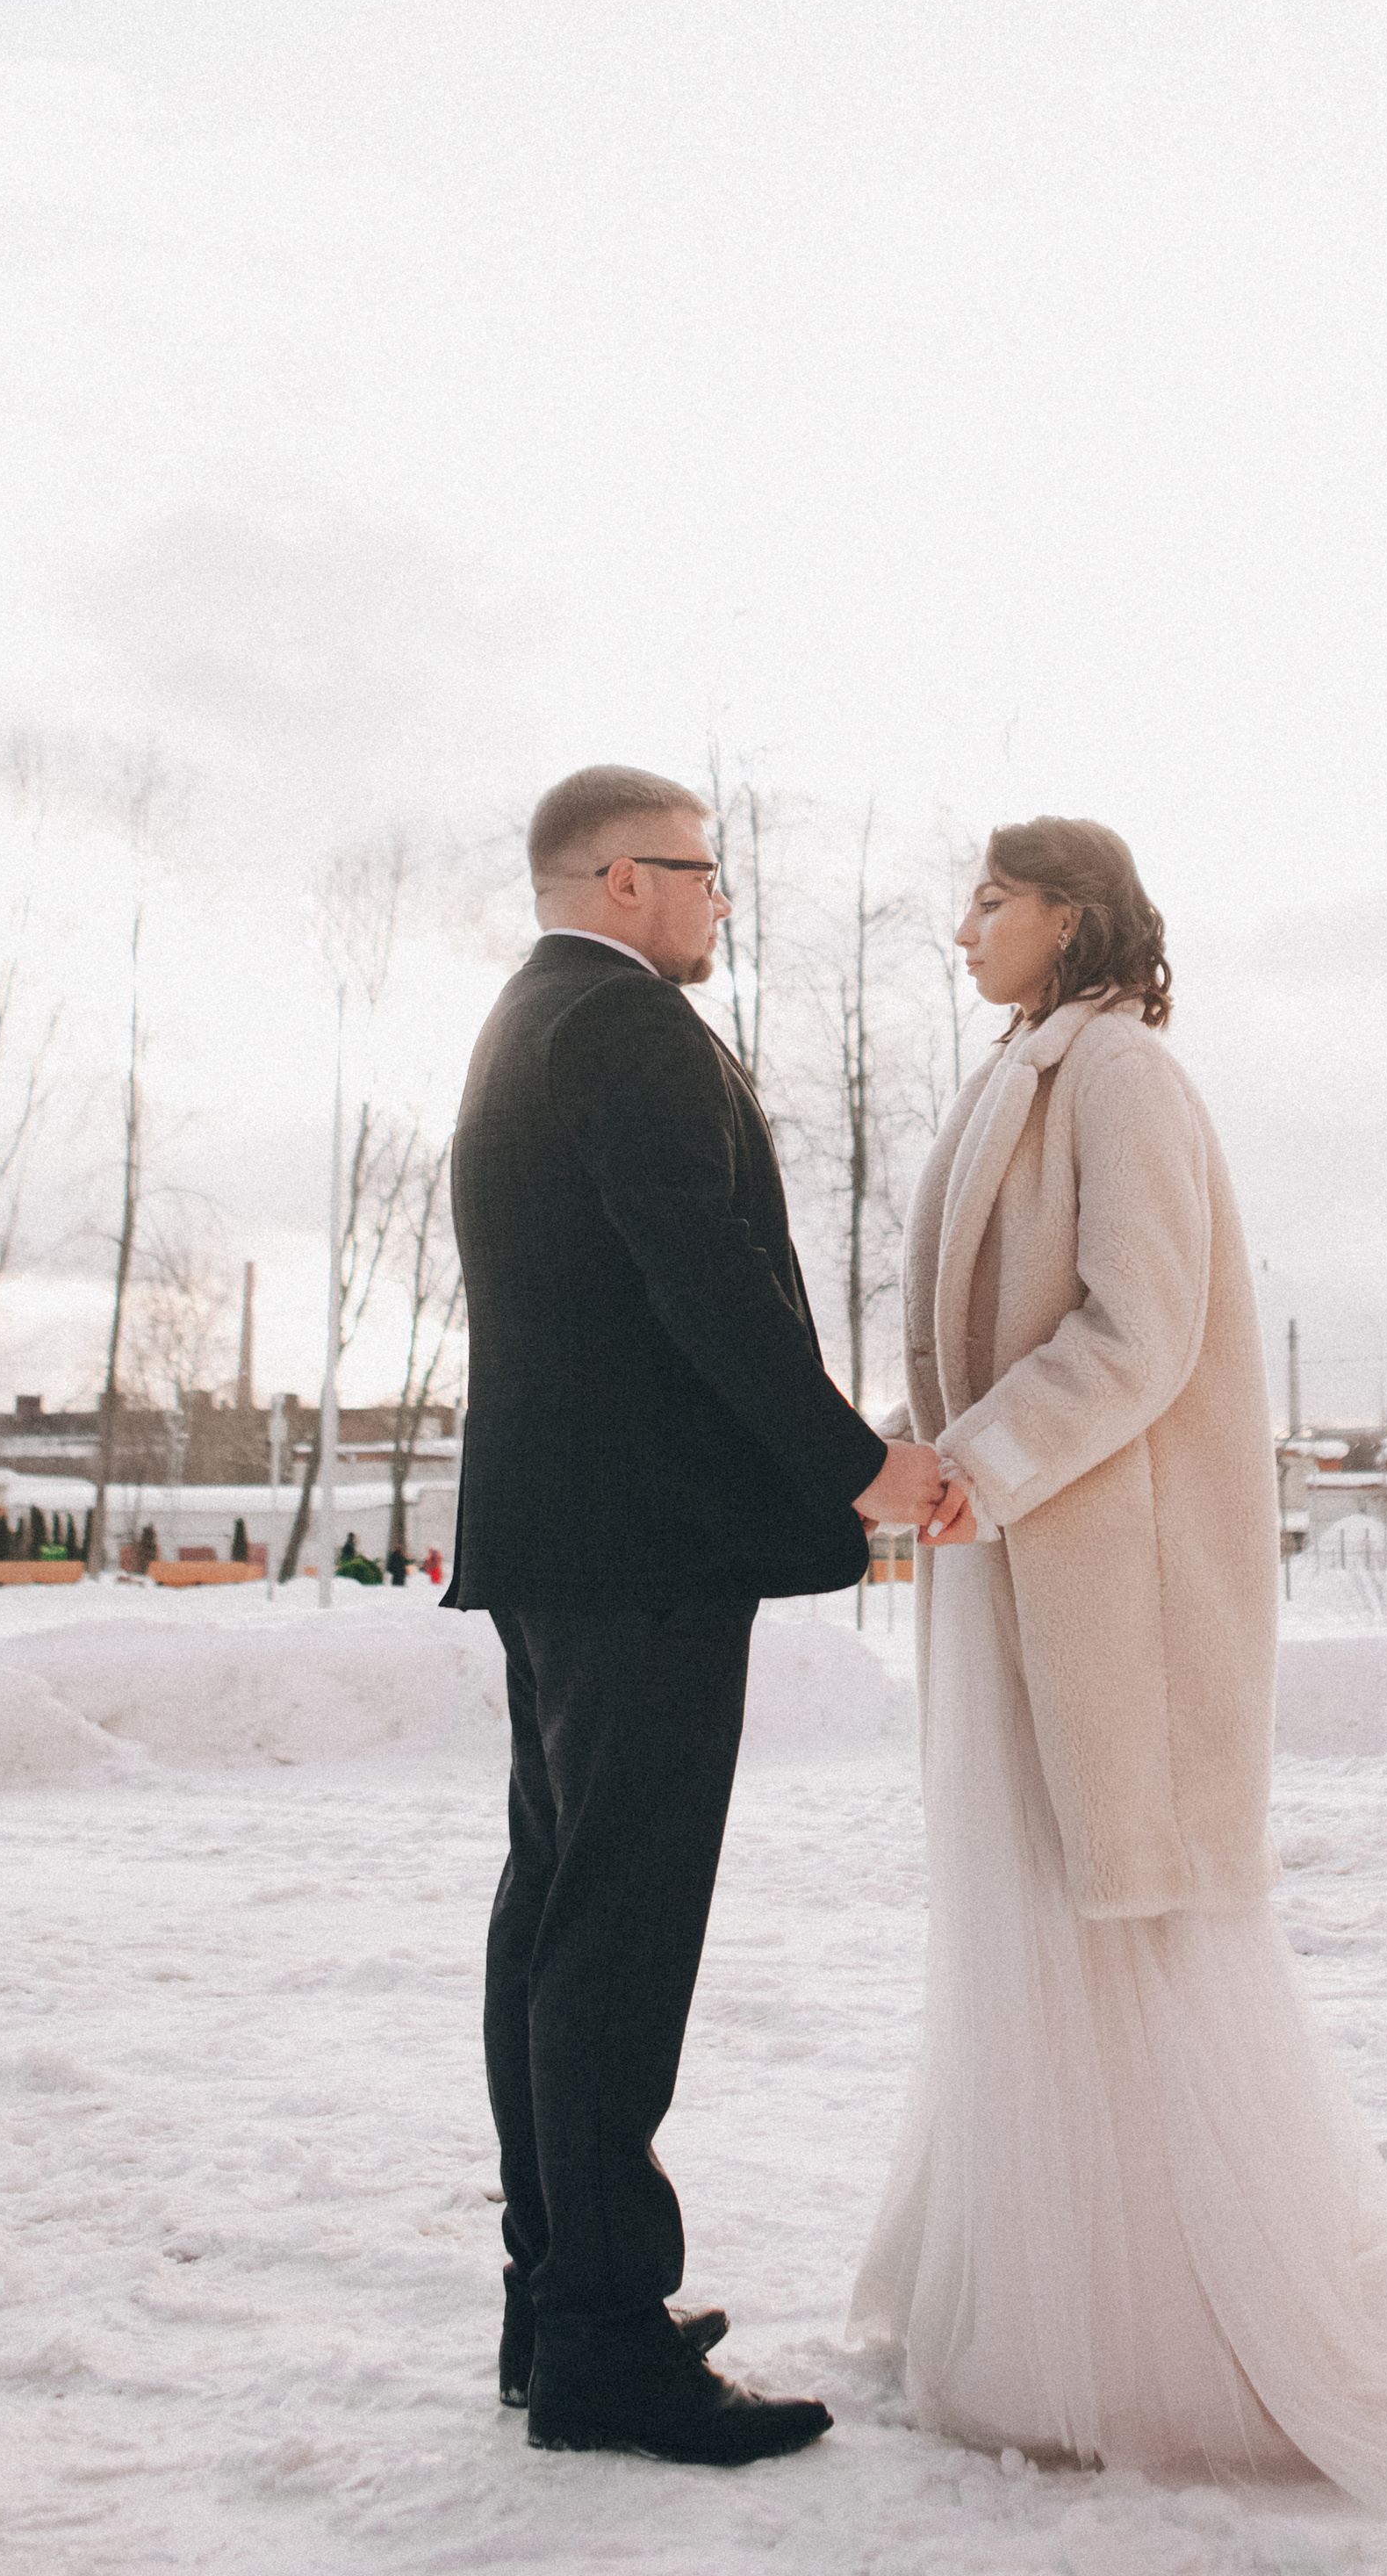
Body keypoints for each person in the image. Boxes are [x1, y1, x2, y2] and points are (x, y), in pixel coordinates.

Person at [852, 817, 1387, 2497]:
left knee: (1121, 1928)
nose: (963, 925)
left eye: (993, 898)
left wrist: (978, 1467)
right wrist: (906, 1460)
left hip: (1104, 1592)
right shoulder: (1017, 1068)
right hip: (1012, 1568)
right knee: (1032, 1922)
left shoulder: (1125, 1081)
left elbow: (1140, 1329)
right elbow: (972, 1359)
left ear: (1072, 914)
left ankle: (1162, 2326)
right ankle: (1044, 2301)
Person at [445, 763, 969, 2469]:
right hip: (642, 1551)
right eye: (698, 874)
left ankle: (560, 2301)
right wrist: (855, 1468)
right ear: (616, 883)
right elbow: (701, 1278)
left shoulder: (521, 1025)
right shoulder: (624, 1032)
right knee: (613, 1936)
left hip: (562, 1547)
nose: (717, 902)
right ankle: (599, 2338)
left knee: (553, 1912)